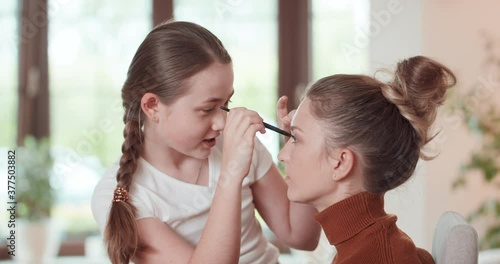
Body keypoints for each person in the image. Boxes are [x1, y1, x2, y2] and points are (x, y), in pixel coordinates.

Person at [91, 21, 320, 264]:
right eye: (207, 108)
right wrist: (231, 175)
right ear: (152, 106)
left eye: (225, 105)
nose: (222, 123)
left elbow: (301, 235)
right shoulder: (120, 197)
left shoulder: (234, 146)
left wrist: (300, 153)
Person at [276, 56, 456, 264]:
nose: (282, 156)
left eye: (295, 139)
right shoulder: (374, 244)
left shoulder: (373, 256)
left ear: (341, 162)